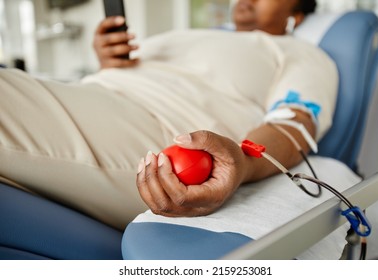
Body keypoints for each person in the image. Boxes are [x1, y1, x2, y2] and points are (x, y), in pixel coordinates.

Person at [0, 0, 338, 230]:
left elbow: (294, 124)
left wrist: (242, 161)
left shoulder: (299, 52)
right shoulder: (188, 36)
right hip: (95, 96)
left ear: (297, 14)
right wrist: (108, 63)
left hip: (153, 128)